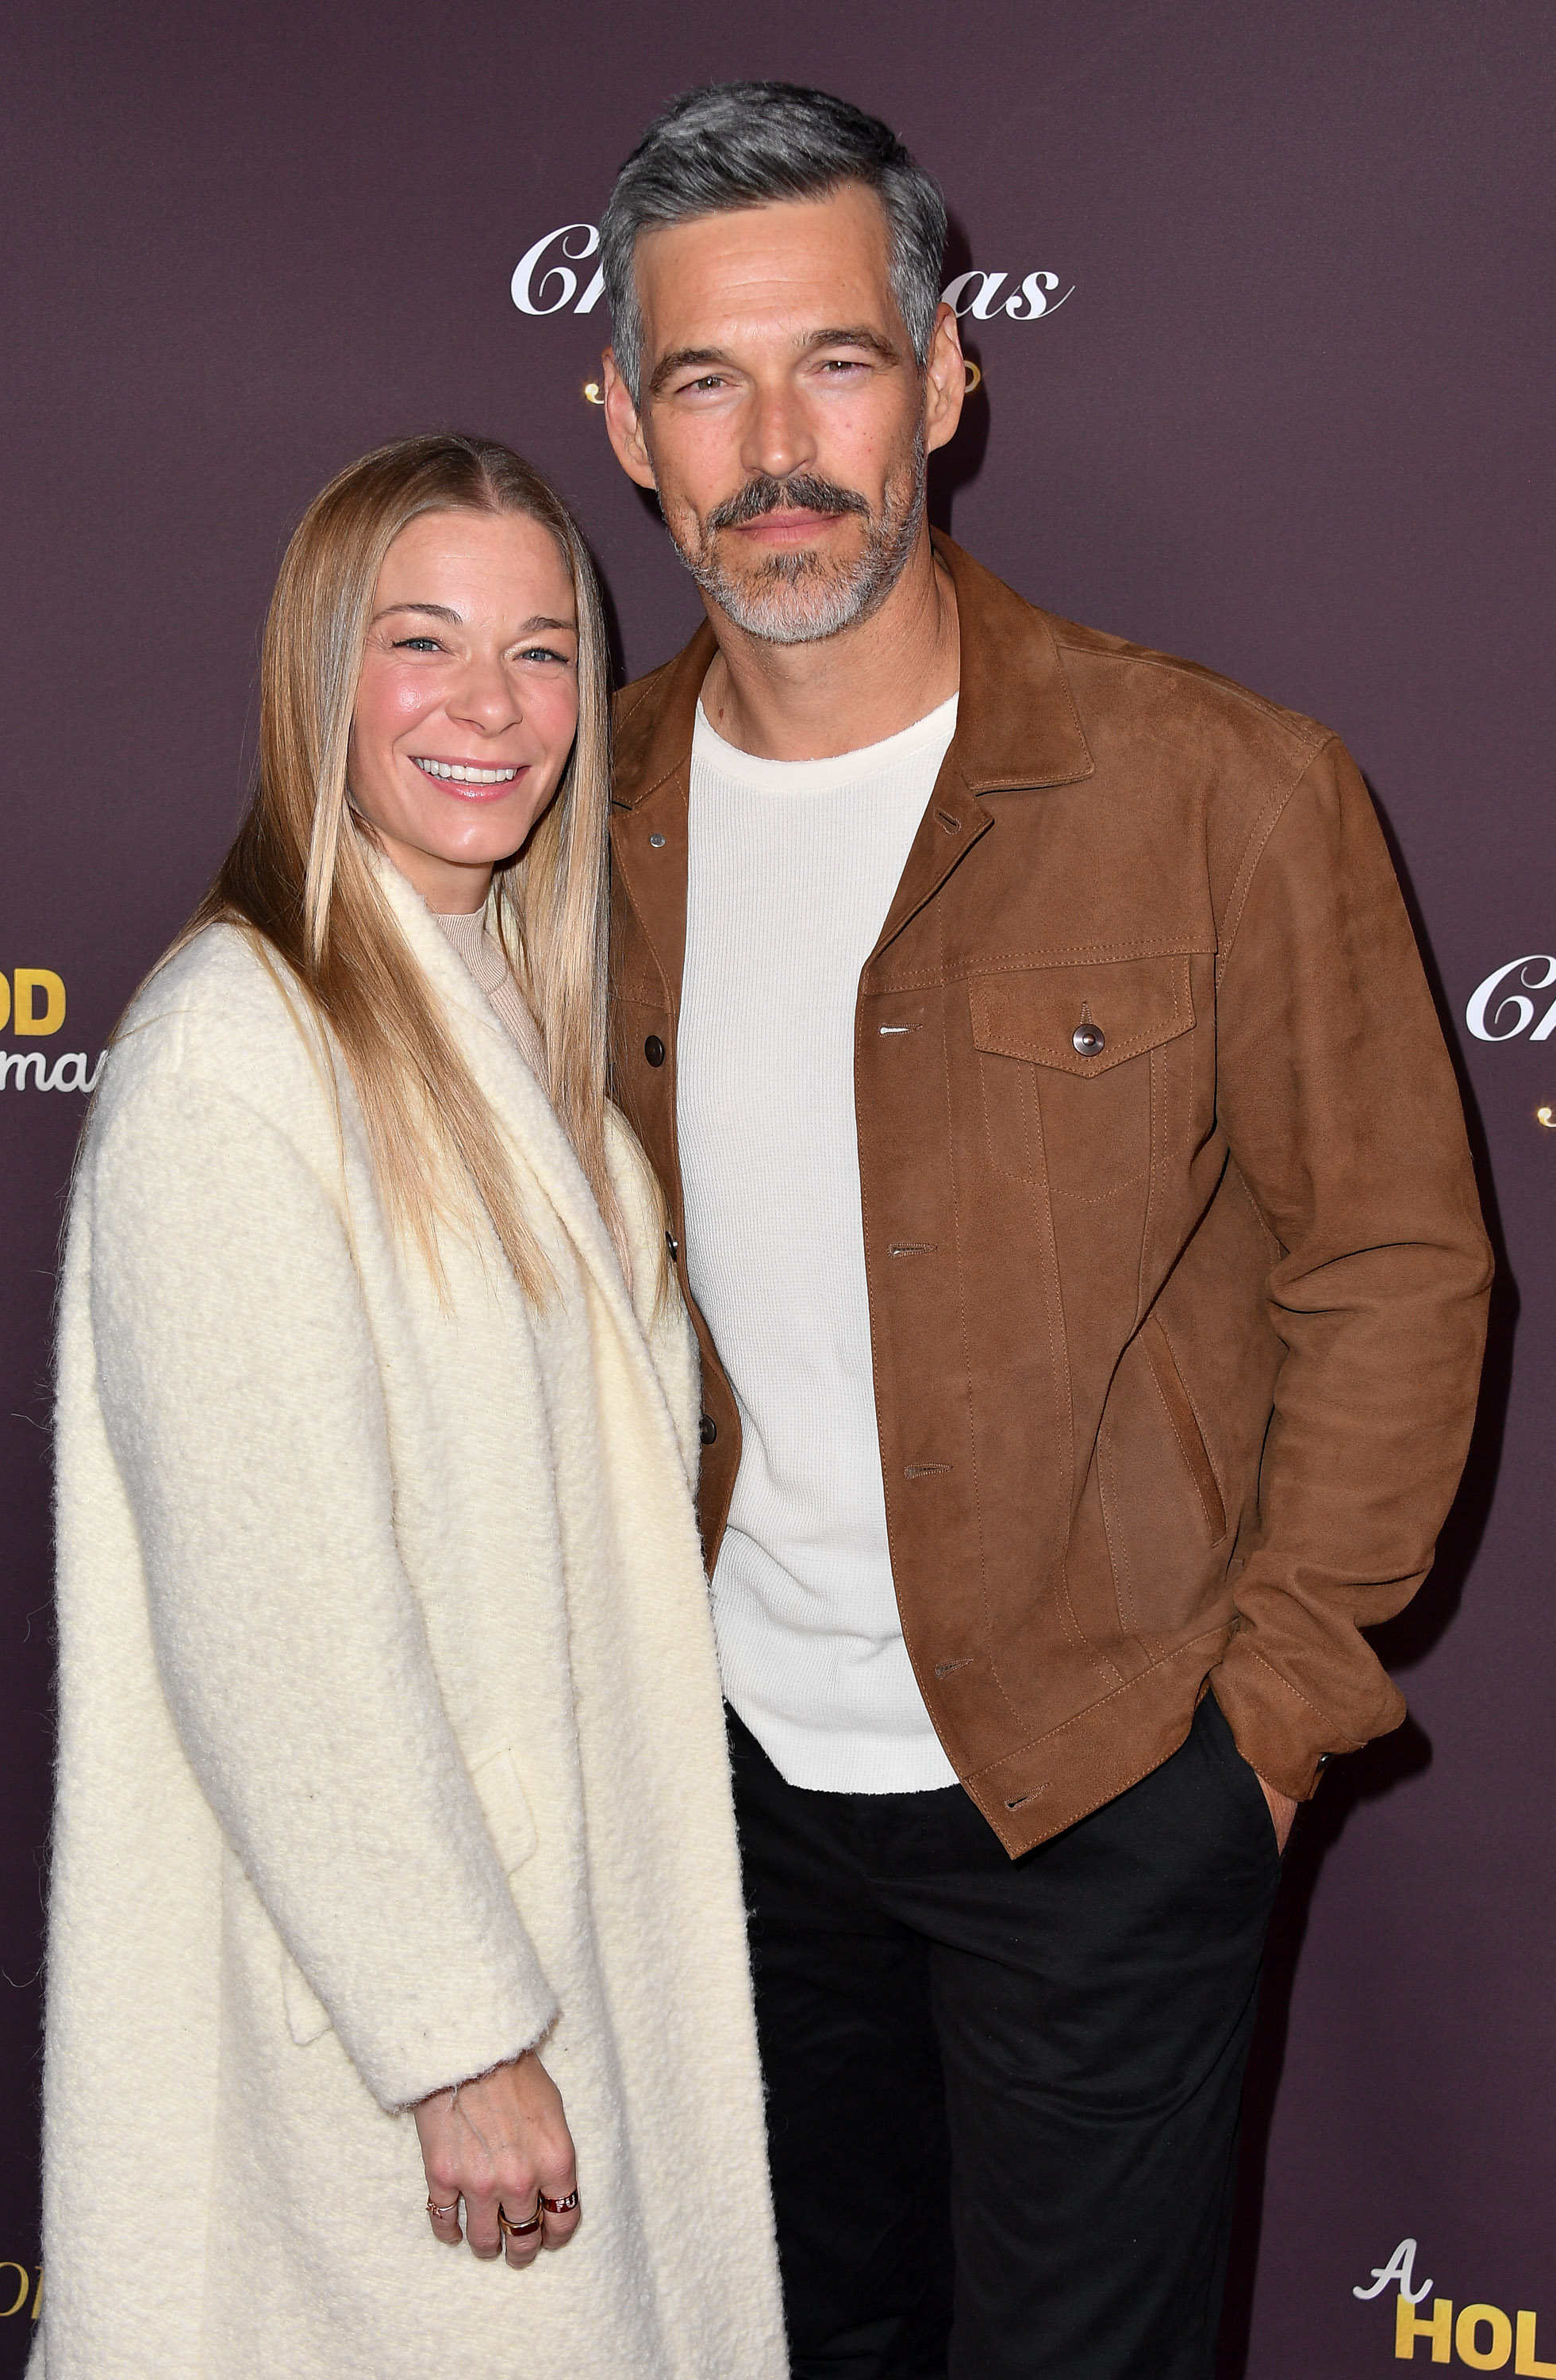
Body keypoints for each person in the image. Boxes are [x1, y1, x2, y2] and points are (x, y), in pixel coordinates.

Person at [596, 83, 1492, 2380]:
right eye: (707, 378)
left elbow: (1394, 1260)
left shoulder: (1225, 790)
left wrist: (1265, 1729)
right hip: (719, 1805)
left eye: (835, 362)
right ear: (622, 421)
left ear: (948, 375)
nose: (773, 443)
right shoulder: (571, 823)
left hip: (1103, 1795)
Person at [33, 433, 787, 2380]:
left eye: (544, 654)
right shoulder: (234, 1057)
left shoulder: (507, 1031)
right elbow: (272, 1619)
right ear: (318, 680)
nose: (490, 706)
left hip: (556, 1957)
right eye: (422, 642)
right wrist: (454, 2034)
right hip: (393, 2032)